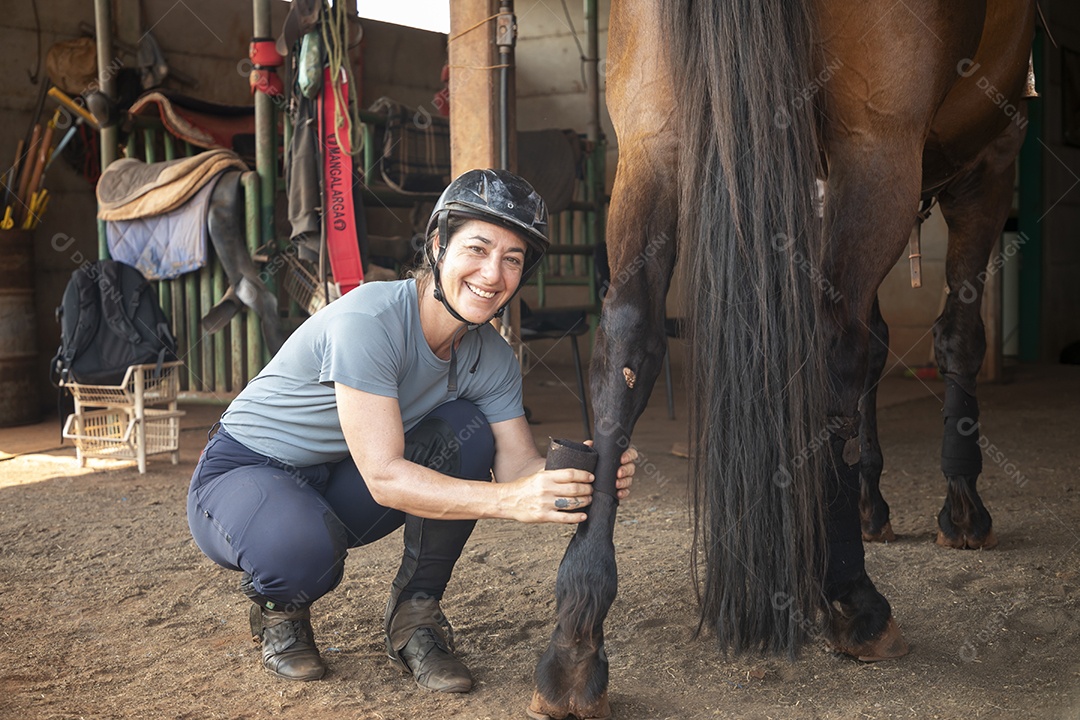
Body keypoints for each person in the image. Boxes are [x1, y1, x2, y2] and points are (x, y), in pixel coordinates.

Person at [186, 169, 637, 692]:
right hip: (244, 472)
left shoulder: (491, 355)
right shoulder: (371, 319)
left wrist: (581, 474)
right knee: (301, 549)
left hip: (338, 478)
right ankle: (280, 611)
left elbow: (518, 467)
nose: (493, 274)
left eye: (512, 259)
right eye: (478, 248)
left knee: (469, 429)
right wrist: (510, 501)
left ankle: (415, 618)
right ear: (439, 246)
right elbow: (385, 477)